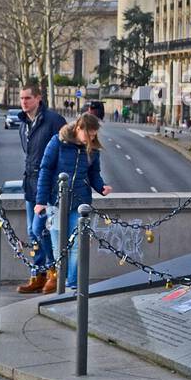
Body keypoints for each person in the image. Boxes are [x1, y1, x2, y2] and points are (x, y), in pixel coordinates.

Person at [34, 112, 111, 293]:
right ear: (78, 128)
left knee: (77, 244)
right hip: (56, 202)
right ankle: (61, 281)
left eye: (94, 136)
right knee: (58, 245)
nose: (90, 139)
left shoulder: (92, 149)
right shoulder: (58, 142)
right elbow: (45, 171)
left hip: (80, 203)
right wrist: (41, 201)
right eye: (88, 135)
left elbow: (93, 174)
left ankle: (72, 283)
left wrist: (101, 187)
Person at [15, 81, 66, 295]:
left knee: (40, 229)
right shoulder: (23, 123)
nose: (23, 102)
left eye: (27, 98)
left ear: (38, 98)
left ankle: (54, 271)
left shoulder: (54, 121)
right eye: (21, 98)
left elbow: (66, 151)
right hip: (30, 185)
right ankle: (39, 274)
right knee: (32, 232)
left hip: (47, 187)